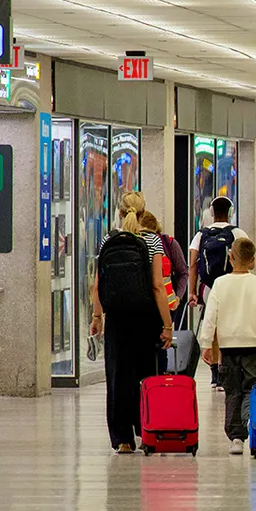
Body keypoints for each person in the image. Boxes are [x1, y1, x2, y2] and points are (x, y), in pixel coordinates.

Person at [91, 191, 174, 454]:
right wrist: (167, 324)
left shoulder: (108, 240)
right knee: (147, 376)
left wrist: (97, 317)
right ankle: (146, 431)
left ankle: (122, 439)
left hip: (117, 318)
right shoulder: (153, 241)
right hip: (146, 317)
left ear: (119, 212)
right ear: (143, 212)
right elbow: (158, 286)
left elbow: (97, 285)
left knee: (118, 377)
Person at [199, 238, 256, 455]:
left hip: (228, 349)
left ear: (230, 258)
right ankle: (250, 419)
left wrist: (206, 343)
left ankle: (236, 438)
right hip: (253, 348)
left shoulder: (220, 284)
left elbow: (210, 316)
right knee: (252, 388)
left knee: (232, 392)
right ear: (252, 260)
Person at [187, 195, 250, 388]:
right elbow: (248, 260)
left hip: (208, 287)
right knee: (229, 326)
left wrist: (192, 292)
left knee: (213, 326)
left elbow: (192, 264)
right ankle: (226, 369)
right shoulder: (238, 233)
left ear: (212, 212)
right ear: (230, 212)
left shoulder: (201, 235)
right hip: (232, 286)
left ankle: (215, 374)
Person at [139, 211, 188, 328]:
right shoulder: (134, 245)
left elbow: (183, 272)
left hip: (164, 307)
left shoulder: (169, 244)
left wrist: (178, 297)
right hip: (146, 307)